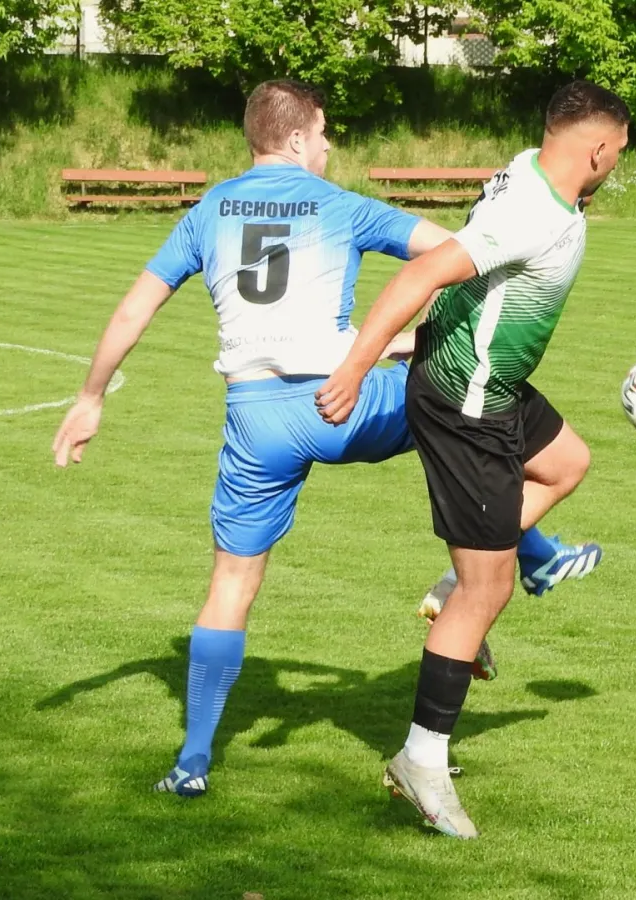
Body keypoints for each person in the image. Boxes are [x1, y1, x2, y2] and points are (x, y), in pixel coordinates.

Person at [51, 79, 602, 799]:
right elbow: (457, 255)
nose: (329, 145)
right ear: (296, 138)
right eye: (323, 132)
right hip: (350, 402)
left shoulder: (209, 210)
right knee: (466, 410)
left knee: (230, 585)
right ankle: (521, 559)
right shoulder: (339, 205)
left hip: (256, 420)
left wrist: (91, 398)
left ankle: (192, 762)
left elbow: (134, 308)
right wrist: (406, 343)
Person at [316, 80, 632, 838]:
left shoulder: (529, 169)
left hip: (491, 382)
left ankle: (459, 583)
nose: (618, 164)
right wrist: (356, 369)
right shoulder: (533, 212)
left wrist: (418, 341)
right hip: (469, 405)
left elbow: (475, 279)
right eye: (619, 152)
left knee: (566, 463)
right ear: (597, 148)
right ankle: (420, 761)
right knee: (488, 591)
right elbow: (421, 273)